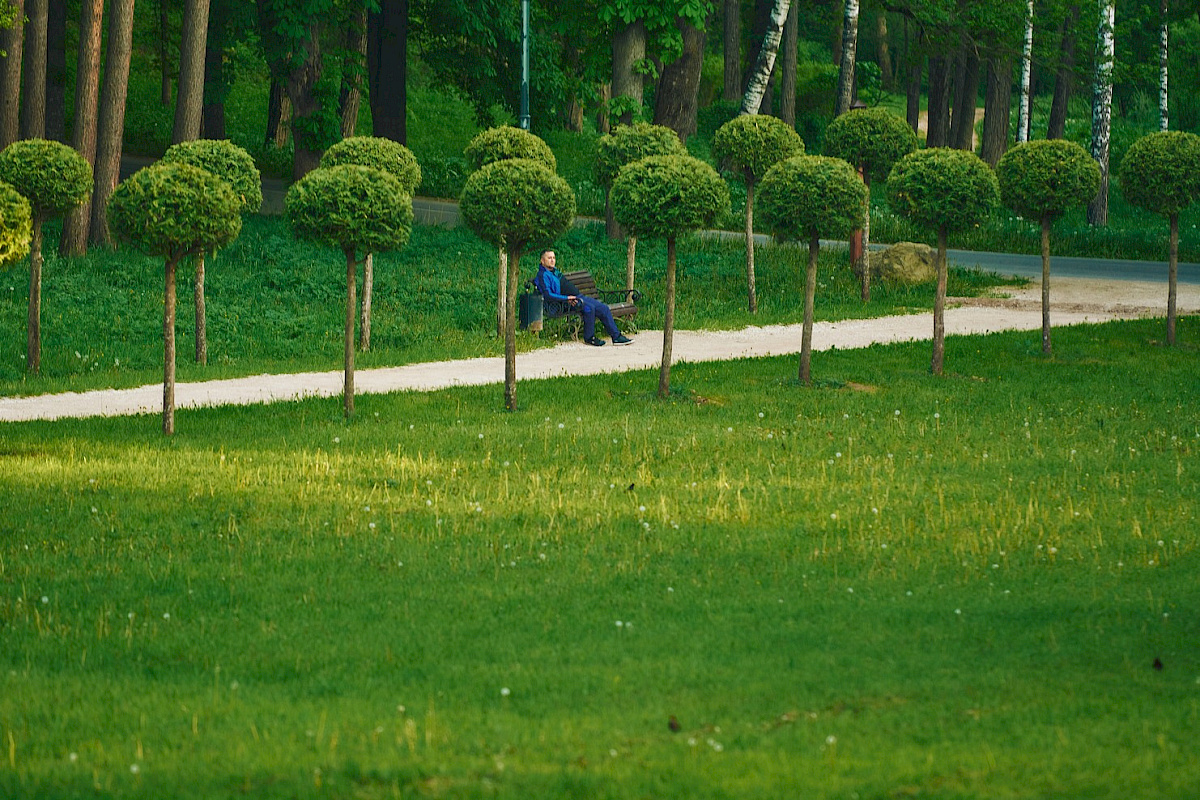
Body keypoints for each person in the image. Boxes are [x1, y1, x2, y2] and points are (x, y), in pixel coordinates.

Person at [534, 250, 632, 346]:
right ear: (542, 261)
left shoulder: (554, 271)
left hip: (577, 297)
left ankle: (617, 337)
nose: (552, 260)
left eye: (554, 258)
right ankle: (589, 338)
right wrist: (566, 298)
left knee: (603, 308)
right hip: (563, 303)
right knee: (589, 308)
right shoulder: (542, 275)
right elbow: (548, 295)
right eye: (549, 258)